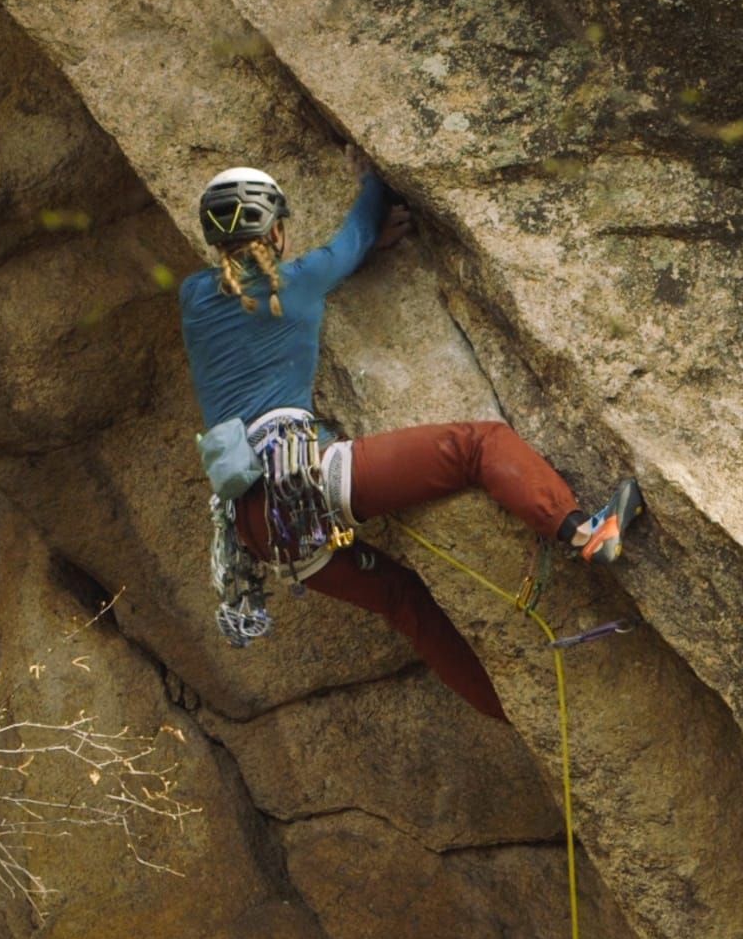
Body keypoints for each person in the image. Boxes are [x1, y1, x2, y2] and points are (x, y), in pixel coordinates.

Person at [180, 146, 642, 722]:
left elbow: (268, 291)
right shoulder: (299, 281)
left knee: (406, 604)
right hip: (304, 483)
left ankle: (515, 717)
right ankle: (585, 533)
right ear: (276, 232)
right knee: (478, 446)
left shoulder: (195, 300)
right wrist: (374, 173)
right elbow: (350, 238)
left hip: (256, 530)